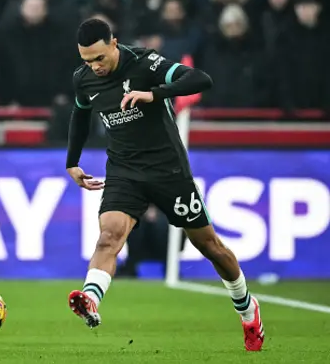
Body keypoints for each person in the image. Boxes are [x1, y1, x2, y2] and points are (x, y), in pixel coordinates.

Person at [65, 18, 264, 352]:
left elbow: (201, 79)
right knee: (109, 236)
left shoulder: (145, 63)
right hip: (124, 169)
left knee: (209, 246)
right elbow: (81, 115)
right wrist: (72, 161)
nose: (94, 67)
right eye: (87, 61)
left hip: (167, 169)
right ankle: (90, 298)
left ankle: (246, 307)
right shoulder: (83, 80)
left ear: (114, 43)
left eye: (99, 58)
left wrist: (153, 94)